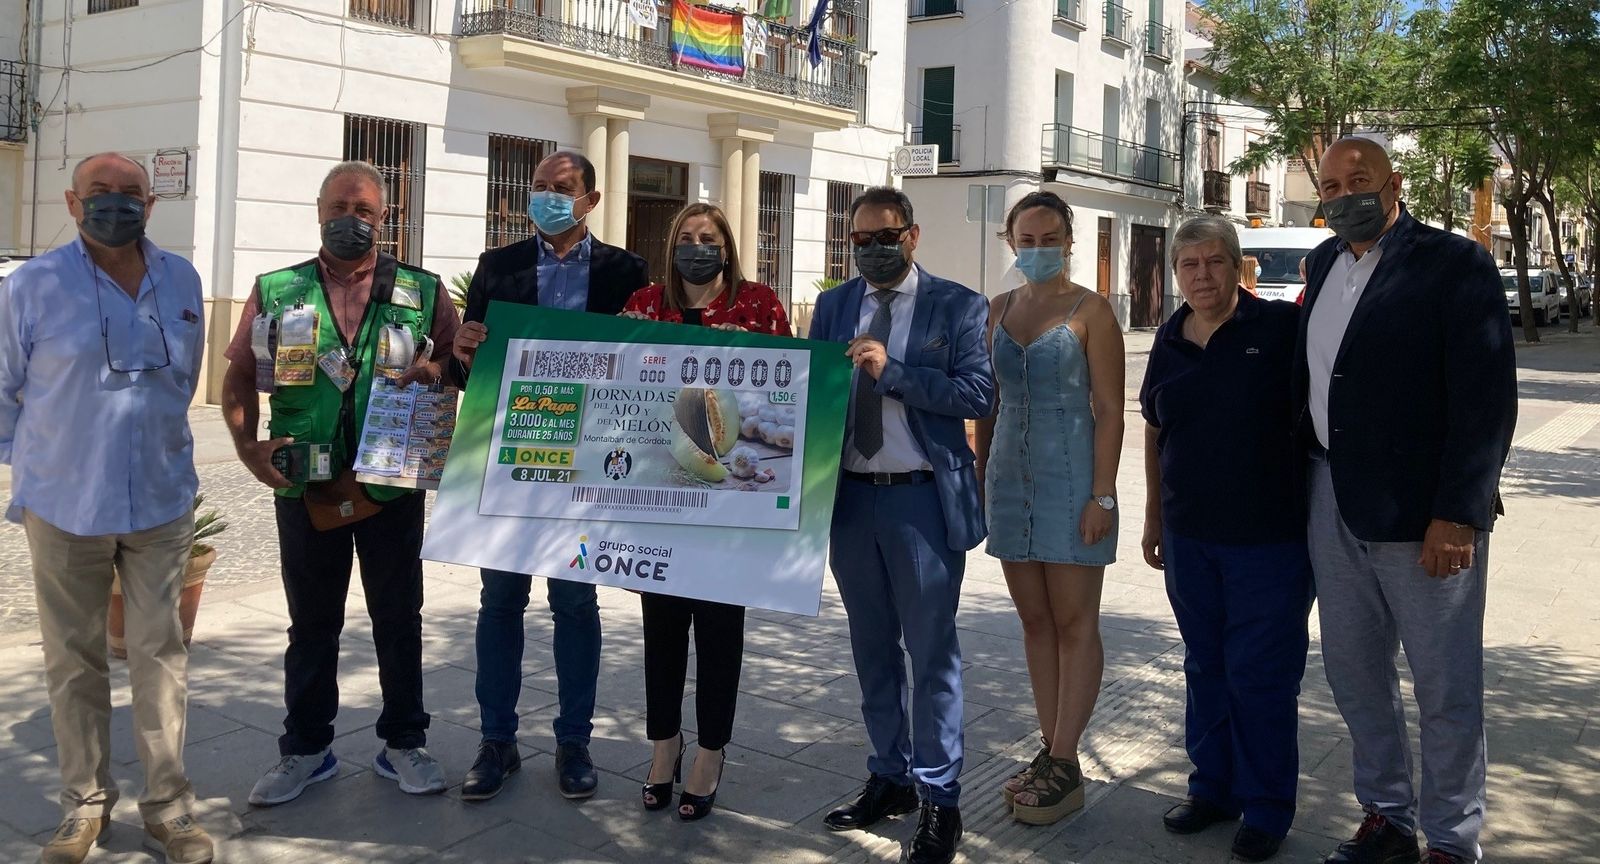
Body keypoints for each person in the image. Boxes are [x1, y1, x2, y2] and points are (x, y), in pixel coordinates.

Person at [1296, 137, 1515, 864]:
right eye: (1331, 184)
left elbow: (1486, 401)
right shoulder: (1323, 264)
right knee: (1354, 673)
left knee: (1445, 686)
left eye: (1359, 179)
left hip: (1425, 515)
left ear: (1395, 183)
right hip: (1332, 499)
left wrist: (1460, 513)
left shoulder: (1455, 264)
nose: (1343, 193)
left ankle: (1453, 842)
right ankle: (1388, 817)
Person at [221, 160, 460, 807]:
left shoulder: (423, 288)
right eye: (339, 207)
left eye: (365, 212)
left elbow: (460, 364)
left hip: (390, 482)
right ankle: (306, 750)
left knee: (398, 619)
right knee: (312, 624)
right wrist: (249, 450)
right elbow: (239, 375)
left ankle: (404, 744)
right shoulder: (279, 289)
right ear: (319, 209)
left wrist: (440, 367)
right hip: (307, 485)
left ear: (385, 220)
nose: (350, 220)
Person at [0, 152, 214, 864]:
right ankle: (85, 805)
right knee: (73, 660)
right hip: (64, 504)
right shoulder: (30, 286)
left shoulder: (180, 278)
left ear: (151, 205)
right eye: (101, 193)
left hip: (159, 499)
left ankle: (170, 808)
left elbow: (184, 380)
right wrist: (42, 460)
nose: (115, 204)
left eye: (130, 194)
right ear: (71, 201)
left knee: (161, 654)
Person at [451, 151, 649, 801]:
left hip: (586, 472)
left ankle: (574, 742)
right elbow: (467, 372)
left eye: (562, 189)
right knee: (500, 601)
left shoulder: (626, 273)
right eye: (539, 187)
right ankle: (496, 740)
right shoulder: (497, 268)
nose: (548, 197)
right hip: (510, 462)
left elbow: (650, 368)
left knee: (574, 602)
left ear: (590, 200)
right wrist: (462, 353)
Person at [808, 187, 994, 864]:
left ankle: (941, 799)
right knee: (871, 649)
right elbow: (810, 392)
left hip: (921, 500)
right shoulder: (832, 306)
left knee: (932, 654)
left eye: (884, 237)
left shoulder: (958, 305)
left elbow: (977, 393)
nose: (871, 250)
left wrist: (898, 374)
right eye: (859, 240)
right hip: (851, 500)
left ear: (912, 236)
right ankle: (889, 776)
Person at [1139, 216, 1313, 862]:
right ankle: (1213, 787)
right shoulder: (1169, 338)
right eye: (1190, 265)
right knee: (1204, 666)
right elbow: (1155, 430)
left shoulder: (1279, 331)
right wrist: (1155, 517)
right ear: (1177, 273)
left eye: (1216, 263)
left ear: (1239, 269)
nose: (1203, 276)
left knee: (1260, 676)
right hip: (1190, 539)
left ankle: (1267, 806)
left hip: (1269, 543)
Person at [620, 202, 792, 821]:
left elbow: (786, 388)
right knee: (660, 630)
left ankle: (711, 751)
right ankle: (664, 744)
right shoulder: (643, 305)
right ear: (672, 247)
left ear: (727, 246)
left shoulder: (759, 306)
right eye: (687, 238)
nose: (698, 247)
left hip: (732, 501)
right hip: (660, 495)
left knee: (720, 631)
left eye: (709, 237)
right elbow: (620, 384)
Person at [973, 191, 1124, 827]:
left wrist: (1103, 494)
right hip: (1010, 475)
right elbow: (986, 401)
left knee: (1074, 621)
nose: (1038, 249)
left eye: (1049, 238)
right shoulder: (997, 308)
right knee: (1034, 621)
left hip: (1071, 477)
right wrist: (979, 476)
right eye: (1026, 240)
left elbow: (1112, 409)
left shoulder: (1094, 310)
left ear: (1069, 241)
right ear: (1012, 243)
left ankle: (1066, 759)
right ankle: (1050, 746)